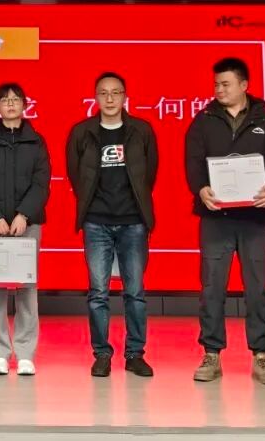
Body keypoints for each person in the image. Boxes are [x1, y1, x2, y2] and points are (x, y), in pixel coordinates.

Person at [185, 57, 265, 386]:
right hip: (215, 218)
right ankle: (211, 354)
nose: (219, 89)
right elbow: (192, 162)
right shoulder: (203, 121)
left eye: (225, 84)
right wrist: (200, 188)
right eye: (216, 84)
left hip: (254, 218)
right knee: (212, 287)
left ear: (244, 85)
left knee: (257, 288)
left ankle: (261, 356)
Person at [66, 71, 158, 378]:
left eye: (115, 92)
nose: (109, 98)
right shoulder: (82, 132)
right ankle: (102, 354)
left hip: (133, 222)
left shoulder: (141, 131)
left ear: (125, 97)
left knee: (135, 292)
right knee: (98, 293)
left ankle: (135, 354)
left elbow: (149, 174)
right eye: (103, 93)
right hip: (96, 222)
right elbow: (76, 175)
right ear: (95, 97)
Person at [0, 82, 51, 376]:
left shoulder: (36, 141)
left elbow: (41, 182)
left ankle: (26, 352)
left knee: (27, 288)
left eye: (16, 99)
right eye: (5, 100)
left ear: (25, 105)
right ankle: (0, 353)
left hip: (26, 226)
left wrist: (23, 215)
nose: (11, 104)